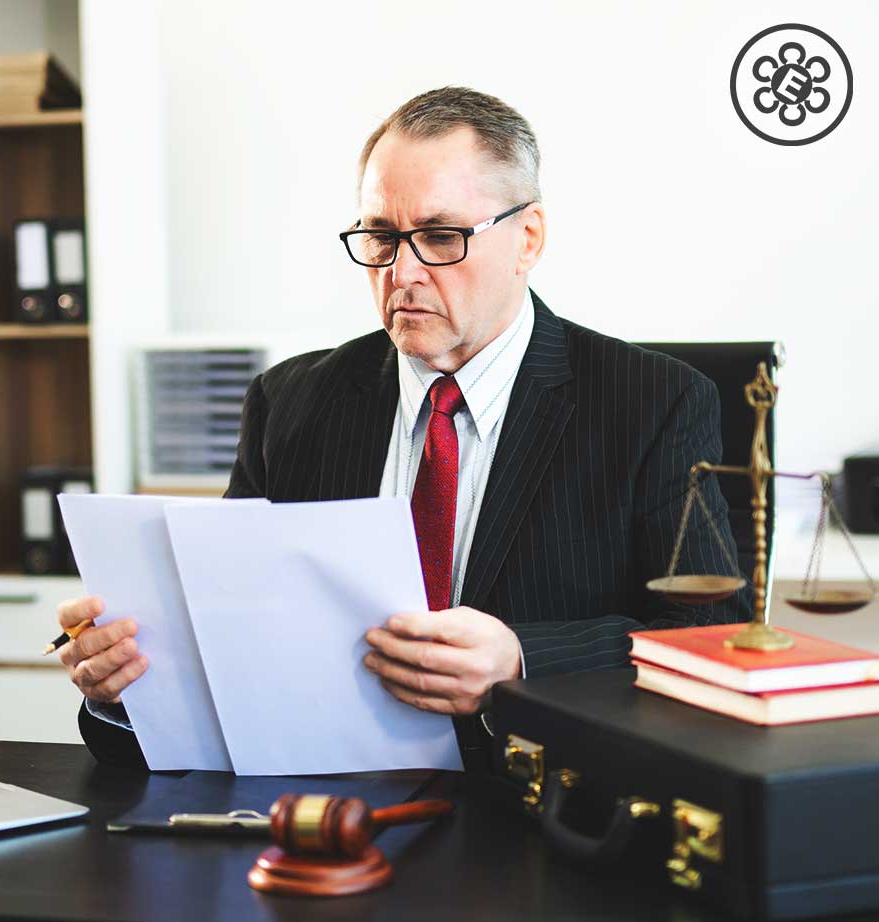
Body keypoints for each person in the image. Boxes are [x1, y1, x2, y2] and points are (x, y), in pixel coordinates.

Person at [56, 86, 750, 770]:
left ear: (528, 238)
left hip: (545, 810)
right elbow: (232, 646)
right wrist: (124, 689)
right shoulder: (290, 402)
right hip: (324, 810)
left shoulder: (655, 402)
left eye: (442, 236)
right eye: (381, 237)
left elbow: (711, 636)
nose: (402, 272)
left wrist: (523, 659)